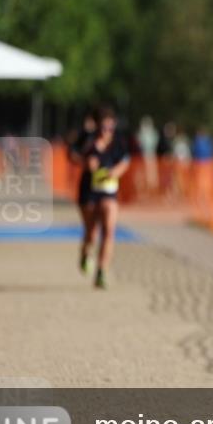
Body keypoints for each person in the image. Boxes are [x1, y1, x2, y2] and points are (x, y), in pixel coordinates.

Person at [87, 109, 130, 289]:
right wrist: (96, 169)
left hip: (110, 194)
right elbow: (90, 165)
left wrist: (116, 172)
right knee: (92, 234)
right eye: (104, 128)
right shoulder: (92, 144)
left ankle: (101, 270)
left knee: (109, 231)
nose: (107, 131)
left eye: (111, 128)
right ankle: (86, 253)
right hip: (92, 194)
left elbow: (125, 162)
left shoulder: (118, 145)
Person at [69, 111, 98, 274]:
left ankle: (93, 258)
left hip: (104, 189)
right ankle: (86, 253)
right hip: (87, 187)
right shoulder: (83, 136)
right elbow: (71, 154)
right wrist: (84, 162)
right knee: (90, 228)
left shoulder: (109, 138)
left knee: (97, 228)